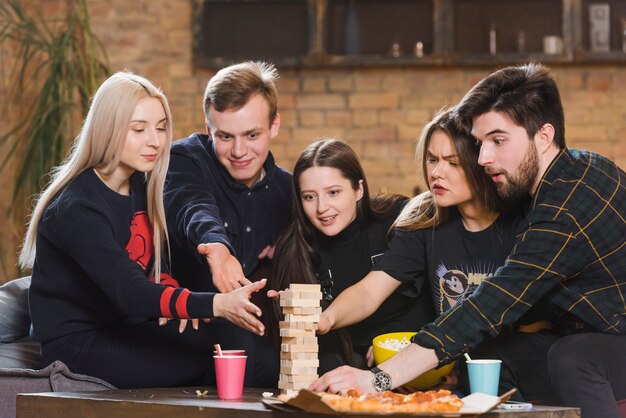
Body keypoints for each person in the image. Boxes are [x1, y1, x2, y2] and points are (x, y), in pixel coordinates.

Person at [312, 63, 626, 418]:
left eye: (498, 141)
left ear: (543, 136)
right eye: (479, 144)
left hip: (604, 342)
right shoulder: (579, 168)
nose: (483, 158)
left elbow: (488, 305)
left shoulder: (563, 210)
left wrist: (378, 379)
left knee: (573, 357)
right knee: (492, 356)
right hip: (600, 331)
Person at [22, 72, 274, 389]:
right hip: (77, 343)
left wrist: (180, 303)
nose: (155, 141)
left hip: (126, 326)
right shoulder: (75, 207)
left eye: (160, 127)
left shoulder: (142, 185)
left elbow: (153, 268)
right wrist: (217, 304)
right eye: (139, 129)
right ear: (108, 129)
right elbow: (129, 293)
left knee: (237, 340)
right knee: (216, 355)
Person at [268, 138, 435, 374]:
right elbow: (310, 349)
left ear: (359, 189)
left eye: (333, 192)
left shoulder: (397, 220)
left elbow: (432, 298)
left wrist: (392, 347)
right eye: (309, 197)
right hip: (346, 365)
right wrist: (296, 314)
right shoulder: (295, 249)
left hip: (415, 353)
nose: (321, 208)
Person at [164, 61, 292, 294]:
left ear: (274, 126)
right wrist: (216, 244)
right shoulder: (182, 160)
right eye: (225, 136)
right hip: (184, 320)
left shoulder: (290, 190)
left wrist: (291, 245)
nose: (239, 151)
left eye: (251, 135)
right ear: (208, 129)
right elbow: (194, 206)